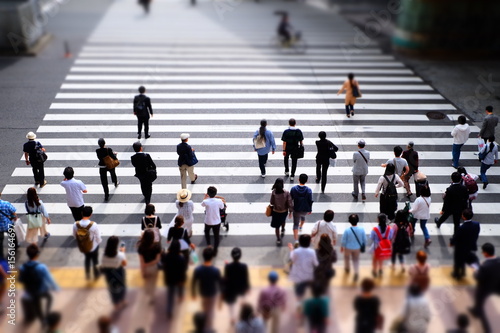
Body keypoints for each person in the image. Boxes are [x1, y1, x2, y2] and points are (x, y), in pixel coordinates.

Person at [19, 244, 59, 328]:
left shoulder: (22, 267)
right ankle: (47, 313)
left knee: (38, 308)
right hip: (41, 290)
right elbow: (49, 278)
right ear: (37, 255)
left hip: (31, 291)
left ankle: (43, 322)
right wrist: (55, 288)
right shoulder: (41, 267)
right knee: (49, 298)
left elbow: (20, 280)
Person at [469, 243, 500, 333]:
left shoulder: (485, 266)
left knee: (479, 299)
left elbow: (478, 277)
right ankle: (476, 309)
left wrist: (475, 271)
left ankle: (478, 312)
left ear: (486, 253)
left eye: (483, 252)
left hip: (486, 287)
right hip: (497, 285)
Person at [191, 246, 222, 331]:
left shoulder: (198, 269)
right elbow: (220, 284)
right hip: (212, 293)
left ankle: (204, 324)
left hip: (203, 292)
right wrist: (221, 299)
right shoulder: (216, 270)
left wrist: (193, 294)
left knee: (204, 308)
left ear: (203, 256)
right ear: (212, 257)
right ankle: (209, 326)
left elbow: (193, 282)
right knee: (211, 310)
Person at [72, 206, 102, 281]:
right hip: (94, 246)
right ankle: (96, 274)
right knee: (95, 260)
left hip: (83, 246)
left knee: (87, 259)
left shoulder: (76, 224)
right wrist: (98, 243)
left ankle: (87, 274)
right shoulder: (94, 225)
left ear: (82, 213)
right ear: (91, 214)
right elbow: (98, 237)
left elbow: (74, 235)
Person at [450, 209, 480, 280]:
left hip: (461, 247)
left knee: (458, 260)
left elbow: (457, 237)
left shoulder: (461, 228)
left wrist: (452, 242)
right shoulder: (476, 224)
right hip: (471, 245)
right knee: (464, 258)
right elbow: (476, 233)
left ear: (463, 217)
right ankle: (463, 272)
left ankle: (457, 274)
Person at [161, 239, 188, 319]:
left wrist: (163, 253)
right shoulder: (181, 258)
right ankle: (180, 296)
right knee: (180, 288)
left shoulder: (166, 256)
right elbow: (183, 270)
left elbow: (162, 263)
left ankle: (169, 310)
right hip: (179, 278)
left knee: (170, 295)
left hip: (169, 277)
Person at [223, 247, 250, 325]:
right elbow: (245, 278)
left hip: (231, 288)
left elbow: (226, 278)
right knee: (243, 302)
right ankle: (243, 315)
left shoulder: (228, 267)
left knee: (231, 304)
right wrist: (247, 287)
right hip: (241, 287)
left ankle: (232, 318)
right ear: (240, 256)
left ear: (232, 256)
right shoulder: (244, 266)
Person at [100, 236, 127, 311]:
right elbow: (124, 264)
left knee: (112, 288)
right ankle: (122, 300)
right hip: (118, 272)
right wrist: (122, 252)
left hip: (108, 273)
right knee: (122, 286)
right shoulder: (120, 255)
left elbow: (103, 264)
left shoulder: (104, 255)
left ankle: (116, 304)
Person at [288, 234, 318, 301]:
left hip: (297, 275)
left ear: (300, 242)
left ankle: (299, 303)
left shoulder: (296, 251)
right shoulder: (312, 252)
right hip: (308, 275)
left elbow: (292, 259)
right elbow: (315, 263)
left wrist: (291, 249)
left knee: (298, 291)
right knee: (306, 291)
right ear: (309, 242)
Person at [137, 229, 162, 305]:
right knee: (153, 282)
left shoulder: (141, 247)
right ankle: (152, 297)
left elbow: (142, 262)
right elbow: (157, 259)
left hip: (146, 268)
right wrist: (151, 263)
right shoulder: (157, 246)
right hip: (154, 268)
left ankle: (148, 291)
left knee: (147, 281)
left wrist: (143, 270)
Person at [341, 213, 366, 282]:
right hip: (357, 247)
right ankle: (356, 272)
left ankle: (347, 268)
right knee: (356, 260)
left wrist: (342, 246)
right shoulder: (361, 229)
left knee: (346, 258)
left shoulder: (347, 230)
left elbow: (344, 239)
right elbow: (364, 239)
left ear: (349, 221)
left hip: (348, 247)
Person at [201, 186, 225, 256]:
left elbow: (202, 204)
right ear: (215, 193)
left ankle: (209, 245)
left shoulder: (206, 201)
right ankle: (215, 250)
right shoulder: (219, 201)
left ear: (208, 193)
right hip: (217, 221)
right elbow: (222, 207)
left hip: (208, 221)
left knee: (207, 232)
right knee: (216, 236)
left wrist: (205, 197)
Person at [269, 178, 293, 246]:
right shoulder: (286, 193)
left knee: (277, 226)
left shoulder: (274, 192)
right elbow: (290, 203)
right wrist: (290, 211)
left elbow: (271, 202)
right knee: (283, 220)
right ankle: (283, 229)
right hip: (284, 211)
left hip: (276, 211)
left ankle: (278, 239)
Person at [290, 174, 313, 241]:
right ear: (306, 181)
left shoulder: (293, 189)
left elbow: (290, 200)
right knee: (303, 217)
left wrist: (290, 211)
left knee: (295, 224)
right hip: (305, 210)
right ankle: (301, 226)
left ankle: (296, 240)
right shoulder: (309, 190)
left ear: (299, 179)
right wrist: (310, 209)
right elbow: (310, 200)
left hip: (296, 209)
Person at [370, 213, 394, 278]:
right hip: (385, 246)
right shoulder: (389, 229)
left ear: (378, 220)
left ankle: (375, 271)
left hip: (376, 247)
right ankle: (380, 269)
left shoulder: (375, 229)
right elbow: (391, 237)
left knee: (375, 260)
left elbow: (371, 238)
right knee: (381, 259)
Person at [0, 193, 17, 260]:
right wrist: (15, 217)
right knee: (12, 235)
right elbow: (13, 212)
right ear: (0, 194)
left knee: (0, 241)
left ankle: (1, 255)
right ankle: (15, 246)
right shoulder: (6, 203)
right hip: (8, 224)